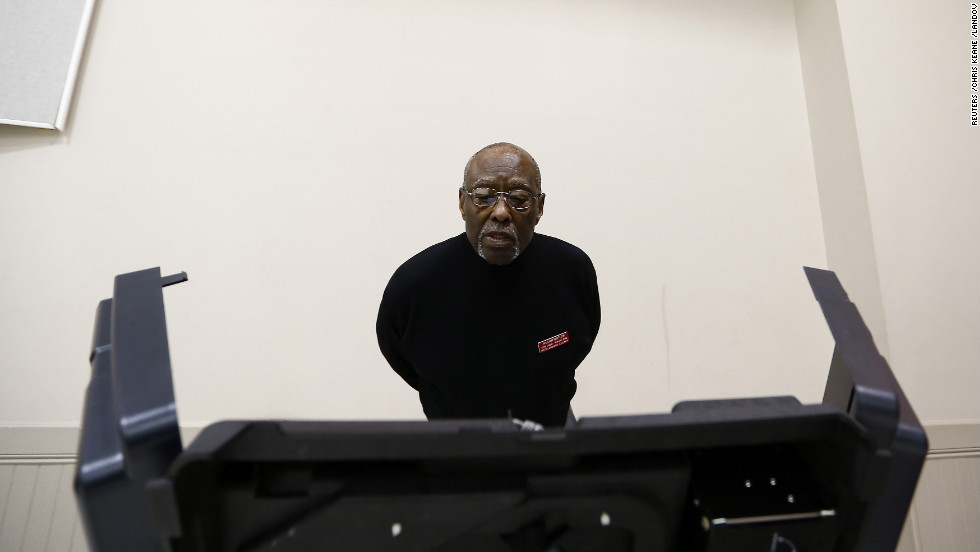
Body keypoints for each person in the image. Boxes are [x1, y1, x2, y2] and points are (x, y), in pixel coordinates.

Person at [376, 143, 600, 427]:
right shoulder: (414, 285)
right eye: (483, 196)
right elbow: (402, 358)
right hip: (453, 448)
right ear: (462, 203)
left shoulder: (571, 271)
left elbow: (581, 340)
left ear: (540, 207)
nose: (502, 212)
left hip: (550, 439)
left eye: (519, 198)